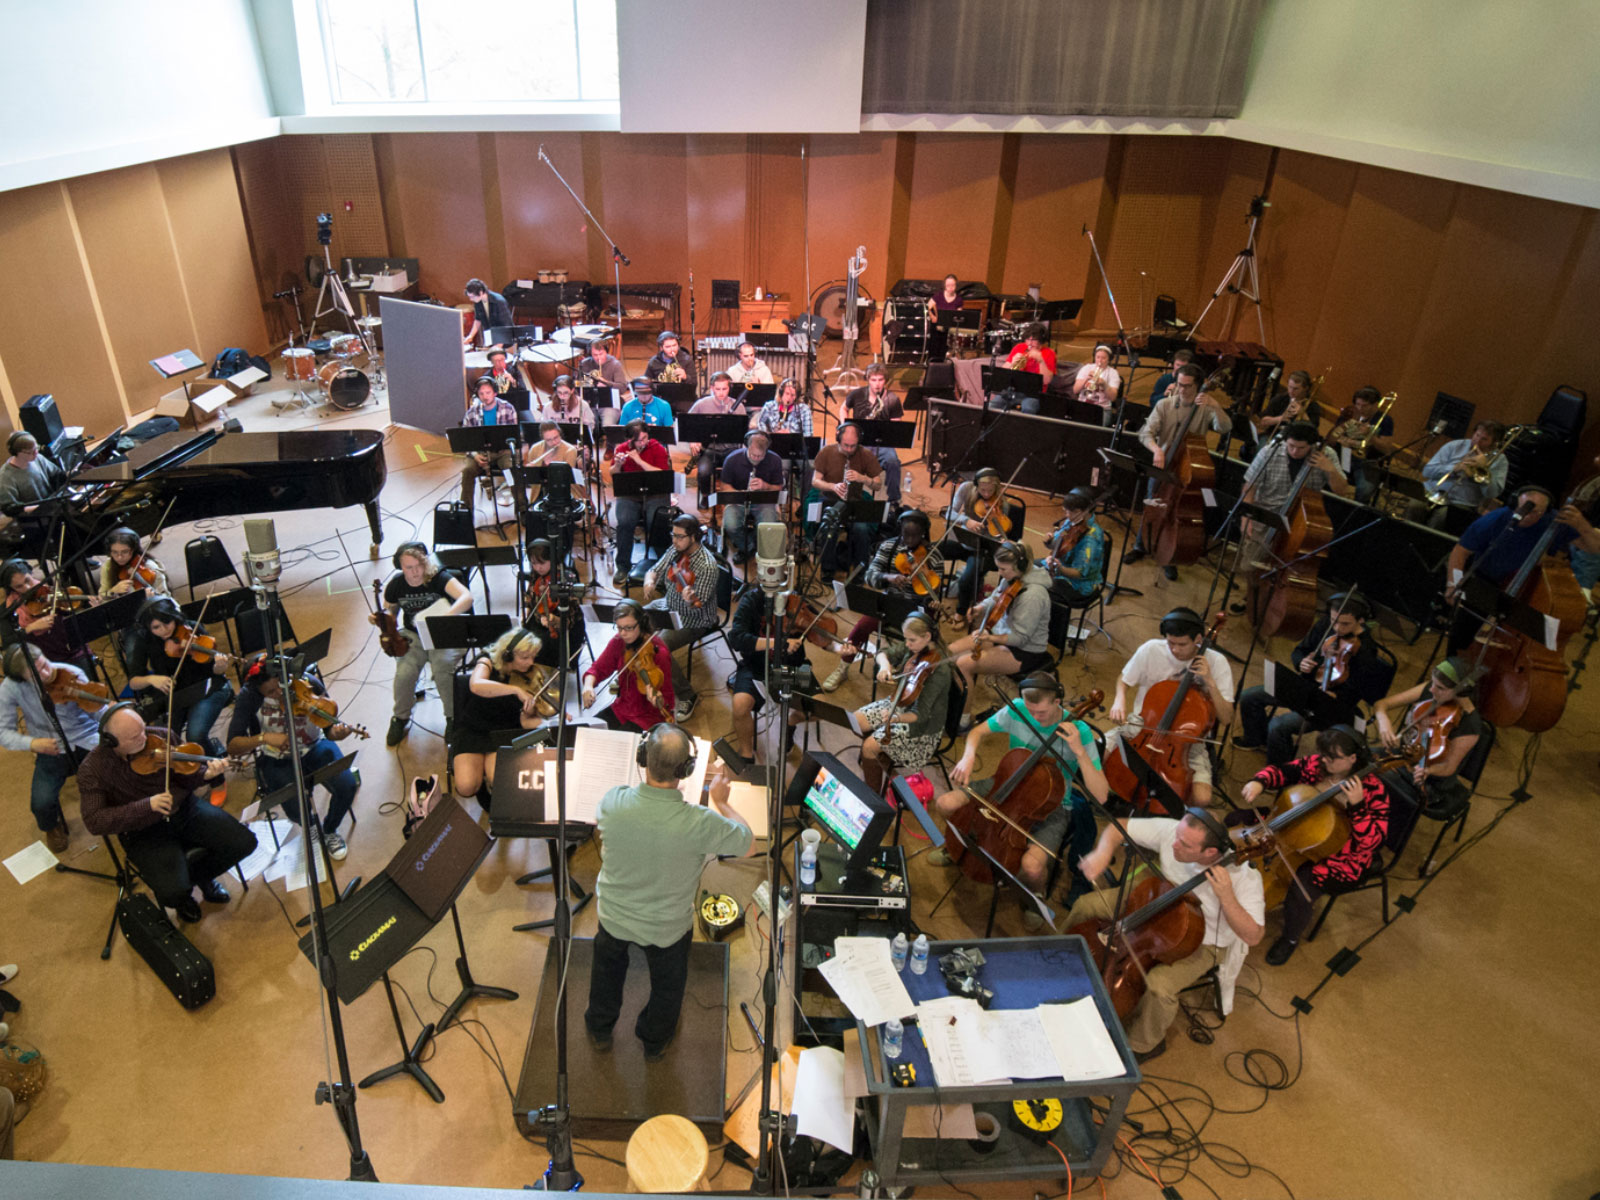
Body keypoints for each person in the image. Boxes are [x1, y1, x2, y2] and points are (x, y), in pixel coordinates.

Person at [585, 726, 753, 1060]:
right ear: (687, 771)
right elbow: (746, 842)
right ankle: (654, 1040)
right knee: (667, 986)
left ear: (643, 759)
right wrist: (721, 802)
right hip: (666, 929)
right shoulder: (699, 822)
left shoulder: (612, 801)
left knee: (606, 973)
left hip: (614, 917)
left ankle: (600, 1028)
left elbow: (605, 827)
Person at [1069, 808, 1265, 1061]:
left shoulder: (1245, 878)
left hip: (1199, 938)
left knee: (1160, 988)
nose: (1174, 844)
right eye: (1177, 836)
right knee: (1086, 905)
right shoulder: (1176, 830)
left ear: (1211, 853)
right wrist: (1102, 852)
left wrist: (1227, 897)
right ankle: (1059, 952)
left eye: (1184, 844)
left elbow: (1254, 935)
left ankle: (1143, 1045)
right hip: (1153, 898)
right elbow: (1120, 824)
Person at [933, 672, 1108, 919]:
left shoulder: (1079, 731)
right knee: (945, 803)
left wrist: (1079, 752)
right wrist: (968, 755)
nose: (1035, 718)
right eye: (1031, 711)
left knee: (1033, 868)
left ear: (1057, 701)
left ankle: (1033, 897)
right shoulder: (1017, 709)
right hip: (1005, 783)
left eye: (1042, 713)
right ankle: (956, 847)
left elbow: (1101, 795)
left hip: (1054, 805)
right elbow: (977, 732)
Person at [79, 703, 256, 923]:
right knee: (172, 894)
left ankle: (201, 877)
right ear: (111, 742)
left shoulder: (162, 737)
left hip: (185, 809)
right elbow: (95, 821)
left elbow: (186, 776)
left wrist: (206, 774)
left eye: (143, 729)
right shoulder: (92, 769)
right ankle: (183, 897)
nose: (145, 738)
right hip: (144, 832)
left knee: (244, 842)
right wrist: (146, 805)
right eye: (135, 737)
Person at [1238, 726, 1389, 966]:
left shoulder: (1373, 791)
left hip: (1342, 856)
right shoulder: (1319, 765)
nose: (1325, 761)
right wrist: (1260, 781)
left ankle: (1290, 938)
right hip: (1294, 829)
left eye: (1332, 758)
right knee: (1235, 822)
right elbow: (1285, 771)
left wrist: (1358, 807)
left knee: (1301, 892)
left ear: (1353, 758)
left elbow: (1372, 842)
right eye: (1324, 755)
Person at [226, 659, 362, 861]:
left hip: (314, 745)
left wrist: (337, 733)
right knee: (297, 808)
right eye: (270, 692)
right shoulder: (249, 697)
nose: (279, 694)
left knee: (347, 785)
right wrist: (264, 738)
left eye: (280, 686)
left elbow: (328, 729)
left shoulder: (307, 683)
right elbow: (232, 745)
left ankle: (329, 830)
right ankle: (310, 828)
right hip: (276, 758)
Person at [1442, 486, 1600, 655]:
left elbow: (1595, 549)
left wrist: (1583, 526)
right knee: (1461, 636)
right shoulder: (1496, 519)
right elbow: (1461, 551)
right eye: (1522, 509)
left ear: (1545, 512)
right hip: (1486, 580)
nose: (1525, 516)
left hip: (1525, 589)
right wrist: (1453, 583)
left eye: (1534, 512)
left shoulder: (1554, 522)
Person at [1235, 592, 1389, 765]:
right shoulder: (1325, 625)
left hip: (1329, 702)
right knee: (1249, 697)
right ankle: (1256, 739)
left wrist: (1338, 697)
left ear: (1361, 621)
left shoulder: (1366, 650)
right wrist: (1302, 662)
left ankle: (1280, 771)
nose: (1337, 628)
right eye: (1334, 620)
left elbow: (1359, 689)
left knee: (1278, 726)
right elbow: (1299, 651)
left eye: (1345, 624)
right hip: (1306, 685)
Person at [1103, 607, 1233, 809]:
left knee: (1202, 799)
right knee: (1094, 751)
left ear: (1198, 638)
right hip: (1143, 727)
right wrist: (1119, 699)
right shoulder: (1152, 649)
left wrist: (1210, 682)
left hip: (1185, 742)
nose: (1175, 650)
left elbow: (1226, 718)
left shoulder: (1218, 662)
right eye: (1171, 643)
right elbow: (1124, 679)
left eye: (1182, 644)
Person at [1126, 363, 1233, 580]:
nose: (1182, 390)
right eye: (1179, 384)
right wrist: (1156, 449)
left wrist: (1216, 406)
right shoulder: (1165, 405)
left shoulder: (1205, 408)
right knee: (1152, 504)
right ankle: (1141, 545)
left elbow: (1225, 428)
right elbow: (1145, 434)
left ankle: (1168, 554)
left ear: (1199, 385)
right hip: (1163, 465)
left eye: (1187, 386)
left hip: (1188, 471)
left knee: (1178, 511)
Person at [820, 508, 946, 693]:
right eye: (905, 535)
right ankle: (843, 668)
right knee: (861, 627)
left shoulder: (934, 556)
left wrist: (930, 597)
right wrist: (888, 577)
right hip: (890, 603)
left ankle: (914, 676)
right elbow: (870, 576)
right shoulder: (888, 547)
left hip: (917, 608)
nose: (909, 541)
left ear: (923, 533)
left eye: (915, 536)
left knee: (924, 638)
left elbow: (935, 592)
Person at [0, 644, 99, 852]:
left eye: (45, 665)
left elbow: (97, 711)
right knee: (41, 803)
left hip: (87, 737)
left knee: (122, 769)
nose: (46, 674)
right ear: (21, 678)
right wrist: (32, 743)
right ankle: (51, 827)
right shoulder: (10, 688)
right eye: (36, 674)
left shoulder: (70, 672)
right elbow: (3, 732)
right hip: (50, 748)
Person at [373, 542, 473, 746]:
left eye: (418, 565)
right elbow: (391, 611)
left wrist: (446, 616)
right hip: (414, 634)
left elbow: (467, 597)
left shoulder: (439, 577)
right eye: (409, 567)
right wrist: (383, 620)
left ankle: (453, 718)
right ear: (401, 567)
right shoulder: (396, 584)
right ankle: (400, 717)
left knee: (442, 669)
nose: (415, 571)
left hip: (444, 633)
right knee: (404, 674)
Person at [448, 627, 554, 811]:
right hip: (473, 728)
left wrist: (543, 721)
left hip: (505, 731)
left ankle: (489, 787)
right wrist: (515, 690)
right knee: (466, 787)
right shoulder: (487, 660)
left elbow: (523, 723)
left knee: (502, 782)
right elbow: (476, 685)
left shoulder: (530, 674)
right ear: (508, 654)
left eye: (533, 657)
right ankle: (481, 785)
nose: (530, 663)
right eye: (524, 657)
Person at [1372, 656, 1485, 826]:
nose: (1432, 690)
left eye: (1440, 688)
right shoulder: (1431, 690)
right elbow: (1381, 705)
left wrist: (1428, 770)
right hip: (1404, 756)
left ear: (1461, 690)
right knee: (1363, 759)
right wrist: (1383, 723)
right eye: (1432, 684)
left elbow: (1448, 767)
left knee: (1381, 785)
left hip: (1431, 778)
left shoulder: (1470, 724)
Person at [853, 611, 956, 795]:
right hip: (899, 702)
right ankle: (879, 761)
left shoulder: (939, 671)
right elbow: (882, 653)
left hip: (920, 727)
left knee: (869, 746)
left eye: (911, 640)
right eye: (906, 639)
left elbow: (921, 714)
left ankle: (872, 797)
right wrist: (885, 665)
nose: (907, 644)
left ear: (927, 636)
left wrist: (895, 718)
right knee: (856, 720)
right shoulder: (915, 647)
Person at [123, 595, 235, 762]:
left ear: (174, 617)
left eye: (167, 623)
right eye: (156, 627)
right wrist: (152, 679)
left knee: (195, 735)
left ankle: (215, 769)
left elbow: (216, 672)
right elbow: (134, 682)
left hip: (209, 688)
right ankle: (197, 769)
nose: (164, 630)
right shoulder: (144, 640)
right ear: (148, 628)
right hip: (178, 696)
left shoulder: (192, 628)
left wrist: (220, 666)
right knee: (166, 740)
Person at [1238, 421, 1353, 582]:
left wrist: (1330, 469)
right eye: (1291, 445)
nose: (1294, 451)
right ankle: (1252, 599)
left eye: (1301, 448)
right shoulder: (1269, 451)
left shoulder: (1327, 454)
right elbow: (1250, 486)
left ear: (1313, 445)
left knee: (1290, 569)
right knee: (1250, 566)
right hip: (1266, 514)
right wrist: (1246, 516)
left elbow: (1342, 490)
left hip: (1301, 521)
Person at [949, 541, 1053, 714]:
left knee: (963, 665)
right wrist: (980, 607)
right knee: (951, 651)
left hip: (1025, 650)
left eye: (1003, 569)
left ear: (1020, 566)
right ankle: (952, 704)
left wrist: (989, 638)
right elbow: (997, 597)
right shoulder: (1013, 577)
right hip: (1001, 634)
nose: (1000, 573)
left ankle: (962, 720)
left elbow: (1020, 638)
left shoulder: (1033, 596)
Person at [643, 516, 720, 721]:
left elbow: (697, 607)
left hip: (694, 619)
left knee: (660, 646)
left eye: (679, 537)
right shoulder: (676, 550)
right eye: (673, 535)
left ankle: (687, 695)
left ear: (694, 537)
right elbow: (655, 570)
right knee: (634, 620)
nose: (674, 541)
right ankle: (642, 676)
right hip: (668, 605)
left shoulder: (707, 566)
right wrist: (649, 582)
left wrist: (689, 600)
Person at [727, 585, 811, 763]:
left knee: (821, 708)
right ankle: (746, 753)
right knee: (740, 704)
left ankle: (789, 723)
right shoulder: (751, 601)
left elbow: (820, 635)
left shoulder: (795, 602)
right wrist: (778, 642)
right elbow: (736, 638)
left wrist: (838, 647)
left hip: (792, 666)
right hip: (756, 664)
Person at [581, 600, 674, 731]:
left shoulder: (659, 654)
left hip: (648, 718)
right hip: (622, 709)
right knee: (588, 732)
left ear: (642, 624)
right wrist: (588, 686)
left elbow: (669, 701)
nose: (623, 633)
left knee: (617, 748)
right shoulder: (619, 642)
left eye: (628, 628)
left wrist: (658, 700)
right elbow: (598, 668)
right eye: (619, 627)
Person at [807, 421, 886, 574]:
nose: (849, 449)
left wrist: (863, 478)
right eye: (845, 445)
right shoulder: (826, 452)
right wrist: (833, 486)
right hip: (829, 500)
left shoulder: (865, 454)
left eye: (853, 446)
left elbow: (877, 485)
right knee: (830, 529)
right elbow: (814, 481)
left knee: (862, 529)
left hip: (854, 502)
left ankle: (860, 572)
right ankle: (827, 571)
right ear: (838, 439)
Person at [1407, 421, 1508, 530]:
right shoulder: (1455, 445)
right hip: (1432, 491)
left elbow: (1492, 493)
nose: (1477, 441)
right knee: (1414, 506)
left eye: (1484, 439)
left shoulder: (1500, 461)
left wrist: (1482, 470)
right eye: (1477, 435)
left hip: (1460, 503)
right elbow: (1427, 471)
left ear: (1494, 443)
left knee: (1440, 519)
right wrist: (1454, 468)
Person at [609, 420, 672, 588]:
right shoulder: (621, 448)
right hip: (630, 494)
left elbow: (662, 474)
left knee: (657, 522)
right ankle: (623, 566)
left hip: (655, 493)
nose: (643, 442)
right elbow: (613, 474)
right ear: (630, 440)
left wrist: (639, 461)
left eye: (645, 438)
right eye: (638, 440)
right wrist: (618, 465)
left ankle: (664, 564)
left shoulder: (657, 448)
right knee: (624, 522)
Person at [943, 467, 1013, 613]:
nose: (986, 495)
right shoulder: (965, 488)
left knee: (966, 579)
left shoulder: (1002, 504)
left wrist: (996, 531)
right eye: (982, 490)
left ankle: (961, 612)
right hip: (961, 542)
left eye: (990, 491)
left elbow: (998, 535)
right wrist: (965, 520)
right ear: (976, 485)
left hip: (981, 550)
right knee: (931, 551)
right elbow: (948, 512)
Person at [1, 559, 87, 669]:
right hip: (43, 660)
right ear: (11, 588)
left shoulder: (48, 591)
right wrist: (30, 628)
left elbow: (71, 614)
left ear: (32, 574)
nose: (27, 588)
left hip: (73, 650)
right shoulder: (8, 610)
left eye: (28, 581)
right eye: (19, 586)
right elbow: (8, 642)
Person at [718, 431, 785, 565]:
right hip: (738, 501)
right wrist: (740, 493)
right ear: (747, 447)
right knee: (730, 525)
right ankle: (748, 547)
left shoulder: (775, 460)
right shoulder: (732, 459)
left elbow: (778, 487)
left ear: (766, 451)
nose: (756, 458)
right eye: (753, 455)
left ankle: (756, 545)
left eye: (760, 456)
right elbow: (724, 486)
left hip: (763, 501)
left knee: (768, 524)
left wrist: (764, 485)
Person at [844, 363, 906, 504]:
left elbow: (896, 423)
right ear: (867, 379)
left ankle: (894, 500)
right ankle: (852, 498)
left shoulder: (892, 399)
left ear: (885, 380)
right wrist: (844, 426)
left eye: (880, 380)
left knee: (893, 462)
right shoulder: (857, 394)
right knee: (851, 462)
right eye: (873, 380)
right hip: (860, 442)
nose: (877, 384)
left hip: (882, 443)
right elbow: (844, 408)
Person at [686, 372, 749, 508]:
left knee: (740, 470)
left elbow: (744, 433)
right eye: (718, 389)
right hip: (709, 450)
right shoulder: (701, 404)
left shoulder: (738, 406)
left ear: (729, 388)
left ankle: (734, 497)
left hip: (731, 450)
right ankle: (706, 496)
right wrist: (693, 440)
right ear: (712, 388)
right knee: (703, 471)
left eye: (724, 389)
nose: (721, 393)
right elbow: (687, 423)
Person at [522, 539, 584, 672]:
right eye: (534, 563)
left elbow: (570, 620)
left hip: (566, 631)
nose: (538, 568)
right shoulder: (536, 575)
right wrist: (527, 611)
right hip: (540, 622)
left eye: (542, 563)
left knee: (539, 644)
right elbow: (529, 597)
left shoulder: (566, 578)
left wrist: (554, 620)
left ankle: (547, 678)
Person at [1328, 386, 1396, 504]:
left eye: (1365, 406)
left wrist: (1371, 435)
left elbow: (1387, 449)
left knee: (1365, 490)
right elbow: (1333, 437)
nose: (1360, 408)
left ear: (1375, 405)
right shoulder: (1350, 413)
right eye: (1358, 404)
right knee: (1325, 475)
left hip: (1367, 463)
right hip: (1345, 455)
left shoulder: (1385, 420)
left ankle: (1354, 512)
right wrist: (1343, 440)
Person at [459, 377, 520, 506]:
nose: (485, 397)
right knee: (467, 471)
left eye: (488, 393)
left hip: (503, 451)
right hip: (480, 452)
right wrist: (475, 455)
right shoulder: (471, 413)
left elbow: (514, 436)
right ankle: (466, 515)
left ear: (495, 393)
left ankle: (523, 510)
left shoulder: (508, 408)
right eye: (481, 394)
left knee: (513, 471)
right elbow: (465, 439)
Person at [1040, 487, 1107, 600]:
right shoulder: (1073, 521)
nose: (1066, 515)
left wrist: (1059, 568)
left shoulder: (1090, 538)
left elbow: (1079, 573)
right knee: (1027, 569)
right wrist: (1050, 542)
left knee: (1039, 587)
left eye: (1068, 512)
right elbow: (1059, 547)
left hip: (1078, 584)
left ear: (1080, 512)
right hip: (1059, 567)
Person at [0, 432, 63, 515]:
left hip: (54, 510)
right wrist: (41, 508)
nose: (35, 453)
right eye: (30, 452)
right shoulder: (5, 477)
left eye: (36, 448)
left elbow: (58, 475)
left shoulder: (38, 458)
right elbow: (10, 508)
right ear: (16, 452)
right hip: (34, 519)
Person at [98, 527, 169, 598]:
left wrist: (151, 598)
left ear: (133, 550)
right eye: (115, 552)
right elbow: (102, 596)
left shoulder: (150, 567)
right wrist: (113, 591)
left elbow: (165, 597)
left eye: (125, 552)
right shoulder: (108, 566)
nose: (119, 557)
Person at [1255, 370, 1323, 442]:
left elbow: (1314, 430)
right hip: (1273, 436)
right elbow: (1263, 422)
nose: (1291, 391)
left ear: (1306, 388)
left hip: (1297, 442)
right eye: (1290, 387)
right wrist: (1280, 418)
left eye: (1296, 388)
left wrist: (1302, 413)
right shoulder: (1280, 398)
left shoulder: (1313, 406)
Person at [1071, 343, 1120, 423]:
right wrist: (1086, 379)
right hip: (1083, 405)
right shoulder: (1087, 368)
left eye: (1103, 358)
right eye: (1098, 357)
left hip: (1102, 409)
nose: (1100, 361)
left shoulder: (1113, 373)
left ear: (1109, 359)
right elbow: (1075, 390)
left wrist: (1104, 384)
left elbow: (1113, 397)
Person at [463, 278, 512, 347]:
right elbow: (478, 319)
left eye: (472, 297)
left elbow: (506, 326)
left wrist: (499, 345)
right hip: (490, 334)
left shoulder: (499, 301)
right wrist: (470, 336)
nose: (471, 299)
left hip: (504, 338)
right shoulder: (478, 302)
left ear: (480, 292)